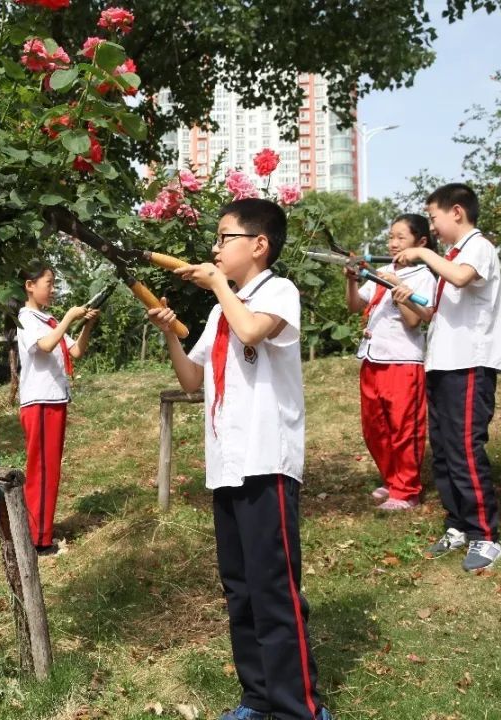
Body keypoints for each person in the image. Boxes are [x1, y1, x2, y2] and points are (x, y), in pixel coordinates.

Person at [148, 198, 333, 720]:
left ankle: (300, 707)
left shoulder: (277, 291)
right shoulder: (218, 308)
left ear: (258, 245)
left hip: (266, 460)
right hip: (227, 464)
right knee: (240, 590)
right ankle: (257, 697)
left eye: (224, 237)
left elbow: (253, 331)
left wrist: (219, 286)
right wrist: (170, 334)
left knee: (274, 588)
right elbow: (193, 381)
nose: (214, 247)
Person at [392, 183, 501, 571]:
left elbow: (461, 278)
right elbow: (439, 314)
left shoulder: (478, 247)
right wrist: (410, 299)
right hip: (442, 364)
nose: (434, 225)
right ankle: (457, 524)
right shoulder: (454, 256)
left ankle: (486, 535)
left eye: (435, 216)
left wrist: (423, 252)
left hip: (469, 364)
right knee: (442, 450)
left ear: (456, 212)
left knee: (464, 448)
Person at [344, 214, 437, 510]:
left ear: (420, 242)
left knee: (403, 427)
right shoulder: (381, 270)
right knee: (375, 427)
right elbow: (355, 304)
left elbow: (414, 321)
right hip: (372, 359)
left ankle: (407, 490)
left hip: (402, 362)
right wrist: (350, 281)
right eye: (391, 237)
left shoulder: (423, 275)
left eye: (401, 238)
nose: (393, 243)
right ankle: (391, 480)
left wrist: (398, 289)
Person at [16, 262, 99, 556]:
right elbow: (47, 346)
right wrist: (68, 317)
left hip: (54, 400)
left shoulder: (48, 319)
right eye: (48, 283)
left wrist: (87, 322)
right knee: (41, 470)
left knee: (50, 470)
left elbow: (75, 350)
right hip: (39, 402)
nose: (52, 289)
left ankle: (42, 532)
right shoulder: (26, 318)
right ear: (30, 285)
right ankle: (37, 540)